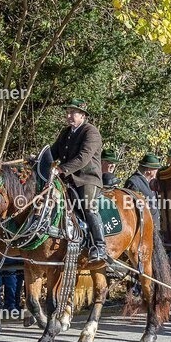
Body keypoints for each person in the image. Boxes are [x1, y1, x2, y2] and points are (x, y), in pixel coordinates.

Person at [49, 98, 106, 261]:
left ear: (82, 115)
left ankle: (100, 246)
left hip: (87, 179)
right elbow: (53, 153)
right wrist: (38, 159)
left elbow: (83, 158)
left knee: (88, 207)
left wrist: (61, 169)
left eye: (72, 113)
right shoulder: (66, 132)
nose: (68, 116)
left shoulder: (91, 132)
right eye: (67, 112)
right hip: (67, 179)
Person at [124, 153, 162, 225]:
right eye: (156, 169)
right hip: (143, 226)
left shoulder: (151, 182)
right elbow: (131, 211)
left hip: (154, 226)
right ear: (149, 170)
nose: (157, 172)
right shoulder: (133, 182)